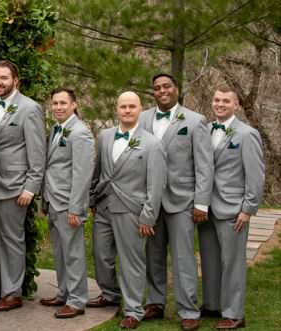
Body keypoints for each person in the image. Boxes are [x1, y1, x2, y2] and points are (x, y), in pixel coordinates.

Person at [139, 73, 214, 330]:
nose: (162, 91)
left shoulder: (195, 121)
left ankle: (189, 311)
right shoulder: (143, 118)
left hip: (182, 201)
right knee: (153, 255)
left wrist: (201, 202)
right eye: (157, 87)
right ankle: (155, 302)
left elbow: (204, 164)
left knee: (183, 258)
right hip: (150, 201)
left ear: (176, 89)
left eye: (166, 86)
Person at [90, 91, 166, 329]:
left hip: (131, 210)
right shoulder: (104, 136)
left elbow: (156, 185)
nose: (127, 110)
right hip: (103, 207)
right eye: (123, 106)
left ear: (140, 109)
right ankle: (110, 294)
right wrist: (92, 200)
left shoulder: (153, 143)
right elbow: (98, 171)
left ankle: (134, 309)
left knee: (130, 261)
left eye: (132, 106)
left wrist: (148, 216)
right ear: (117, 109)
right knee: (101, 254)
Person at [0, 60, 46, 310]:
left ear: (15, 80)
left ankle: (12, 293)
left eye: (3, 78)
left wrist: (31, 187)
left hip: (14, 186)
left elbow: (38, 151)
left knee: (12, 239)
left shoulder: (30, 108)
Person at [198, 86, 264, 330]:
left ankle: (235, 313)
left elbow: (256, 175)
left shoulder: (247, 134)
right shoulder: (204, 130)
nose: (220, 104)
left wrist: (248, 209)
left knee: (233, 262)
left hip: (233, 209)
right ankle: (212, 305)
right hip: (205, 208)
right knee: (210, 260)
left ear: (235, 105)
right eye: (216, 100)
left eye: (226, 101)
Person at [39, 88, 93, 318]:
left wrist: (76, 208)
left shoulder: (80, 133)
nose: (58, 107)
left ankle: (77, 300)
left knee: (73, 253)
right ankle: (64, 292)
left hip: (68, 204)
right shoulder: (55, 129)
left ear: (74, 105)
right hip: (53, 200)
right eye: (55, 103)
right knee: (60, 253)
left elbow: (82, 174)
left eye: (63, 103)